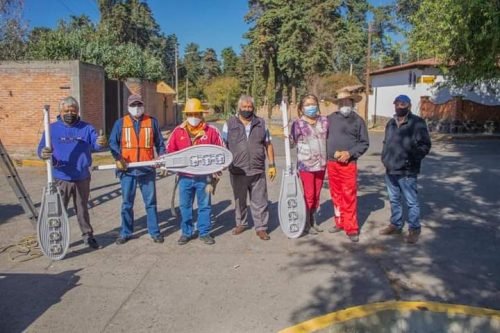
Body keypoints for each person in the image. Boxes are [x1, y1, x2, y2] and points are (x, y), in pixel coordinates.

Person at [37, 96, 107, 249]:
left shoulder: (86, 128)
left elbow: (96, 144)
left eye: (73, 110)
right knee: (58, 211)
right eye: (66, 110)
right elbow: (41, 149)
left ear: (78, 111)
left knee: (82, 210)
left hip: (82, 178)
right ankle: (57, 238)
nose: (70, 113)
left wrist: (100, 142)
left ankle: (88, 236)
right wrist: (43, 153)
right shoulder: (51, 129)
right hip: (61, 177)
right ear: (60, 111)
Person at [109, 94, 166, 245]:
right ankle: (125, 232)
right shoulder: (120, 123)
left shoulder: (152, 122)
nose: (137, 108)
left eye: (139, 105)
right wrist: (118, 158)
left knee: (151, 203)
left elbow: (160, 143)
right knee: (127, 203)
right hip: (127, 171)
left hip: (147, 170)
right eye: (133, 105)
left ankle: (154, 231)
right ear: (128, 107)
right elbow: (113, 143)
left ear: (143, 106)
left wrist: (161, 156)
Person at [166, 98, 224, 245]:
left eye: (196, 113)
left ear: (201, 114)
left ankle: (204, 232)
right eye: (190, 114)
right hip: (184, 177)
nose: (193, 117)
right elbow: (170, 152)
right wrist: (166, 165)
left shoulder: (211, 131)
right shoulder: (178, 131)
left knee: (204, 206)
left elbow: (221, 152)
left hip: (204, 178)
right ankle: (186, 232)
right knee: (185, 206)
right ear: (186, 115)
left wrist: (217, 170)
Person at [222, 95, 276, 241]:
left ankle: (261, 228)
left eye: (249, 107)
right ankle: (241, 223)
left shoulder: (261, 123)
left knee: (260, 200)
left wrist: (272, 164)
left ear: (253, 108)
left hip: (257, 169)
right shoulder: (230, 123)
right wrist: (221, 165)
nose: (247, 109)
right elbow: (223, 145)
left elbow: (268, 144)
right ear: (239, 107)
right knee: (240, 200)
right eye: (244, 107)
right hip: (237, 170)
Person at [379, 95, 431, 244]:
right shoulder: (390, 123)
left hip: (407, 171)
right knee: (394, 199)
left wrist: (411, 159)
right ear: (394, 105)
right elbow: (386, 142)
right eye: (397, 103)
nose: (400, 106)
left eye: (403, 104)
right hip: (390, 169)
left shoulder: (417, 123)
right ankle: (396, 225)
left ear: (409, 105)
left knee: (411, 201)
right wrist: (385, 158)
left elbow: (425, 145)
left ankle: (414, 228)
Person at [326, 90, 369, 242]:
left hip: (348, 164)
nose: (344, 105)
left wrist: (350, 153)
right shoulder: (330, 119)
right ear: (337, 104)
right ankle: (340, 222)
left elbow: (364, 143)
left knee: (348, 195)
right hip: (331, 163)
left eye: (347, 102)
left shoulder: (358, 121)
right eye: (341, 102)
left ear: (352, 103)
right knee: (336, 195)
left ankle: (351, 227)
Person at [290, 94, 328, 235]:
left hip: (321, 163)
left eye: (313, 104)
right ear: (301, 108)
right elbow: (291, 144)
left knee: (317, 195)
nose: (311, 107)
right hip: (306, 164)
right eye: (307, 105)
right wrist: (287, 137)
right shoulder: (297, 124)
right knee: (309, 194)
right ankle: (305, 223)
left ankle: (313, 220)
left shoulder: (324, 121)